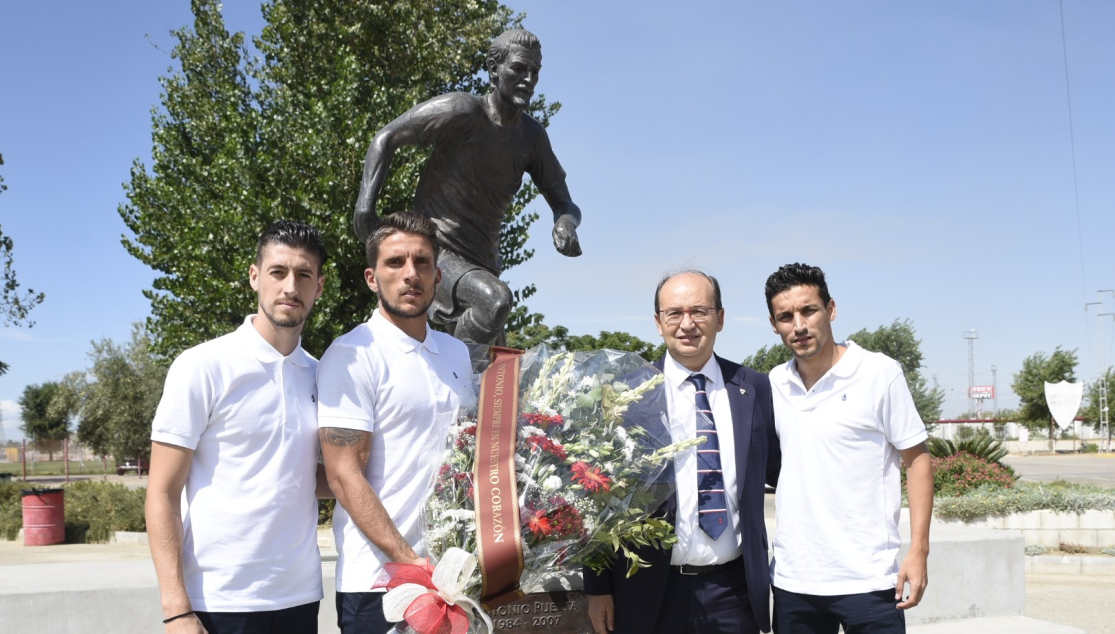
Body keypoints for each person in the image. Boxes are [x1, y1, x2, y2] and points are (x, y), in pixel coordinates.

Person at [146, 220, 331, 634]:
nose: (290, 287)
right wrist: (176, 609)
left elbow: (303, 476)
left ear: (319, 287)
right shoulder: (202, 366)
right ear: (254, 277)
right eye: (277, 272)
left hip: (299, 597)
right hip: (218, 599)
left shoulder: (323, 376)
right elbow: (162, 492)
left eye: (304, 275)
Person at [352, 28, 582, 344]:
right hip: (435, 253)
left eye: (535, 72)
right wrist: (365, 207)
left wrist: (565, 224)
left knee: (499, 379)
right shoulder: (462, 111)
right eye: (518, 68)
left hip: (482, 268)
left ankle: (461, 386)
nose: (528, 79)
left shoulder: (532, 139)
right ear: (493, 70)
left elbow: (565, 203)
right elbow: (386, 138)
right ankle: (458, 381)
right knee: (495, 301)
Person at [584, 270, 781, 634]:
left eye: (699, 311)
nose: (686, 324)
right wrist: (597, 588)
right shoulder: (625, 396)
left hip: (733, 593)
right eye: (674, 313)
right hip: (646, 593)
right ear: (658, 323)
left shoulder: (754, 388)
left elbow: (781, 472)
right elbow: (597, 502)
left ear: (720, 318)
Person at [317, 212, 472, 634]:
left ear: (438, 276)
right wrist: (412, 562)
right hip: (382, 582)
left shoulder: (457, 353)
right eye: (395, 263)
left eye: (422, 263)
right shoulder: (351, 355)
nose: (411, 274)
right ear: (371, 278)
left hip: (458, 577)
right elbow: (344, 476)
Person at [763, 263, 933, 634]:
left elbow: (917, 461)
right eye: (786, 316)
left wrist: (918, 551)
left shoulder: (879, 373)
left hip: (868, 580)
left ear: (831, 309)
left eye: (809, 310)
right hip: (795, 581)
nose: (800, 325)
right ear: (774, 325)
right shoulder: (774, 384)